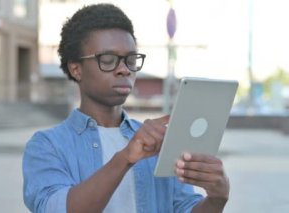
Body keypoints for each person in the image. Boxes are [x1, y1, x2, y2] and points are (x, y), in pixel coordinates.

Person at [23, 3, 229, 213]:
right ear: (76, 69)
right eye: (109, 60)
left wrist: (216, 199)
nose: (124, 69)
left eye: (130, 59)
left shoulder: (159, 143)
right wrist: (124, 158)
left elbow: (185, 208)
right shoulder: (47, 146)